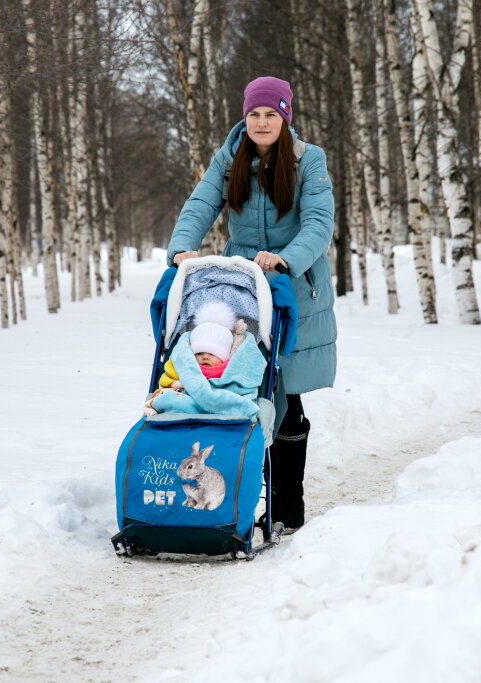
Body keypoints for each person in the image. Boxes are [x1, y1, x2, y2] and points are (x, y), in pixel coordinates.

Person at [166, 76, 336, 531]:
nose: (262, 122)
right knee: (245, 396)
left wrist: (285, 259)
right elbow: (201, 203)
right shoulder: (230, 158)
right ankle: (245, 504)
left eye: (271, 114)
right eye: (254, 114)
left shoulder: (308, 160)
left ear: (285, 118)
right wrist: (183, 247)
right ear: (245, 116)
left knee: (287, 401)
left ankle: (287, 511)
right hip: (244, 294)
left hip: (294, 288)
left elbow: (320, 223)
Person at [144, 301, 265, 418]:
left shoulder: (231, 371)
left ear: (224, 357)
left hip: (221, 402)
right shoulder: (184, 367)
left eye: (212, 353)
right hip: (188, 402)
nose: (205, 357)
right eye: (200, 353)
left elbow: (239, 392)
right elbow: (166, 384)